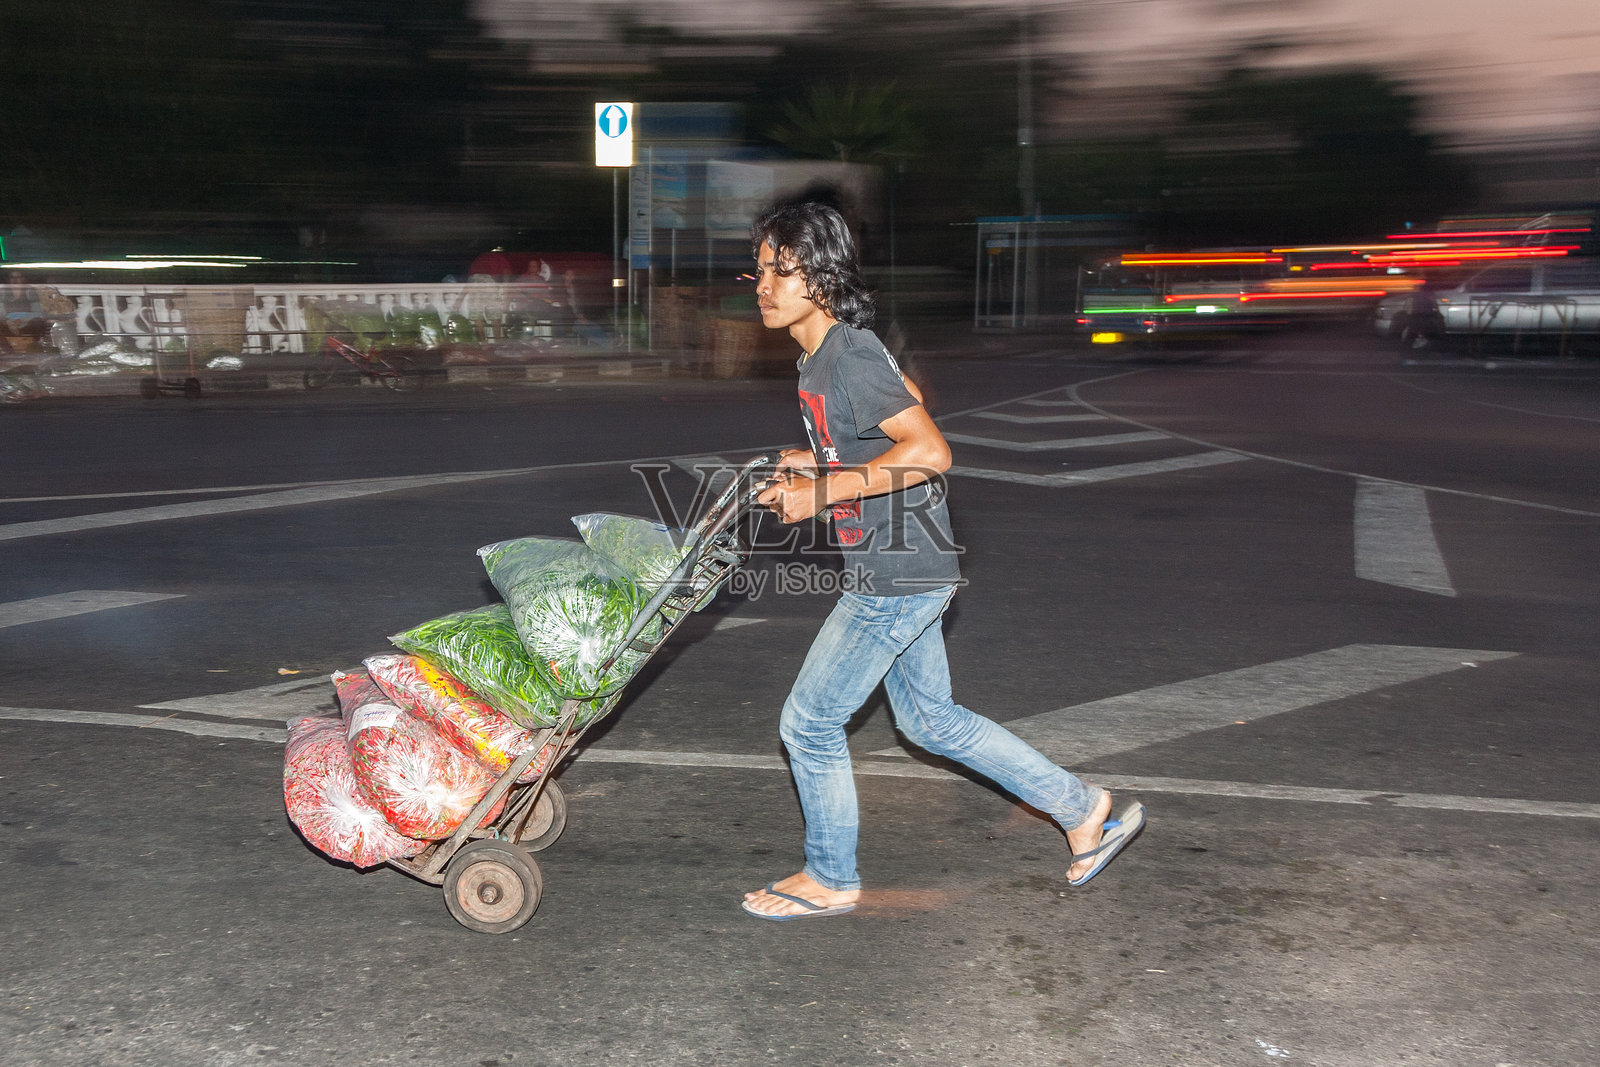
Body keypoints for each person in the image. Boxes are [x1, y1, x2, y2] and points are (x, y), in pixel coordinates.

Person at [744, 201, 1144, 921]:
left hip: (896, 576)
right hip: (902, 566)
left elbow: (930, 451)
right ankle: (1091, 812)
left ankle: (831, 876)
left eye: (782, 269)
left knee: (808, 722)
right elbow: (893, 417)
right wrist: (819, 460)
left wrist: (827, 487)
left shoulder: (848, 352)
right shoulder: (822, 355)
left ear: (822, 276)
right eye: (761, 268)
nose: (764, 284)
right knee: (931, 722)